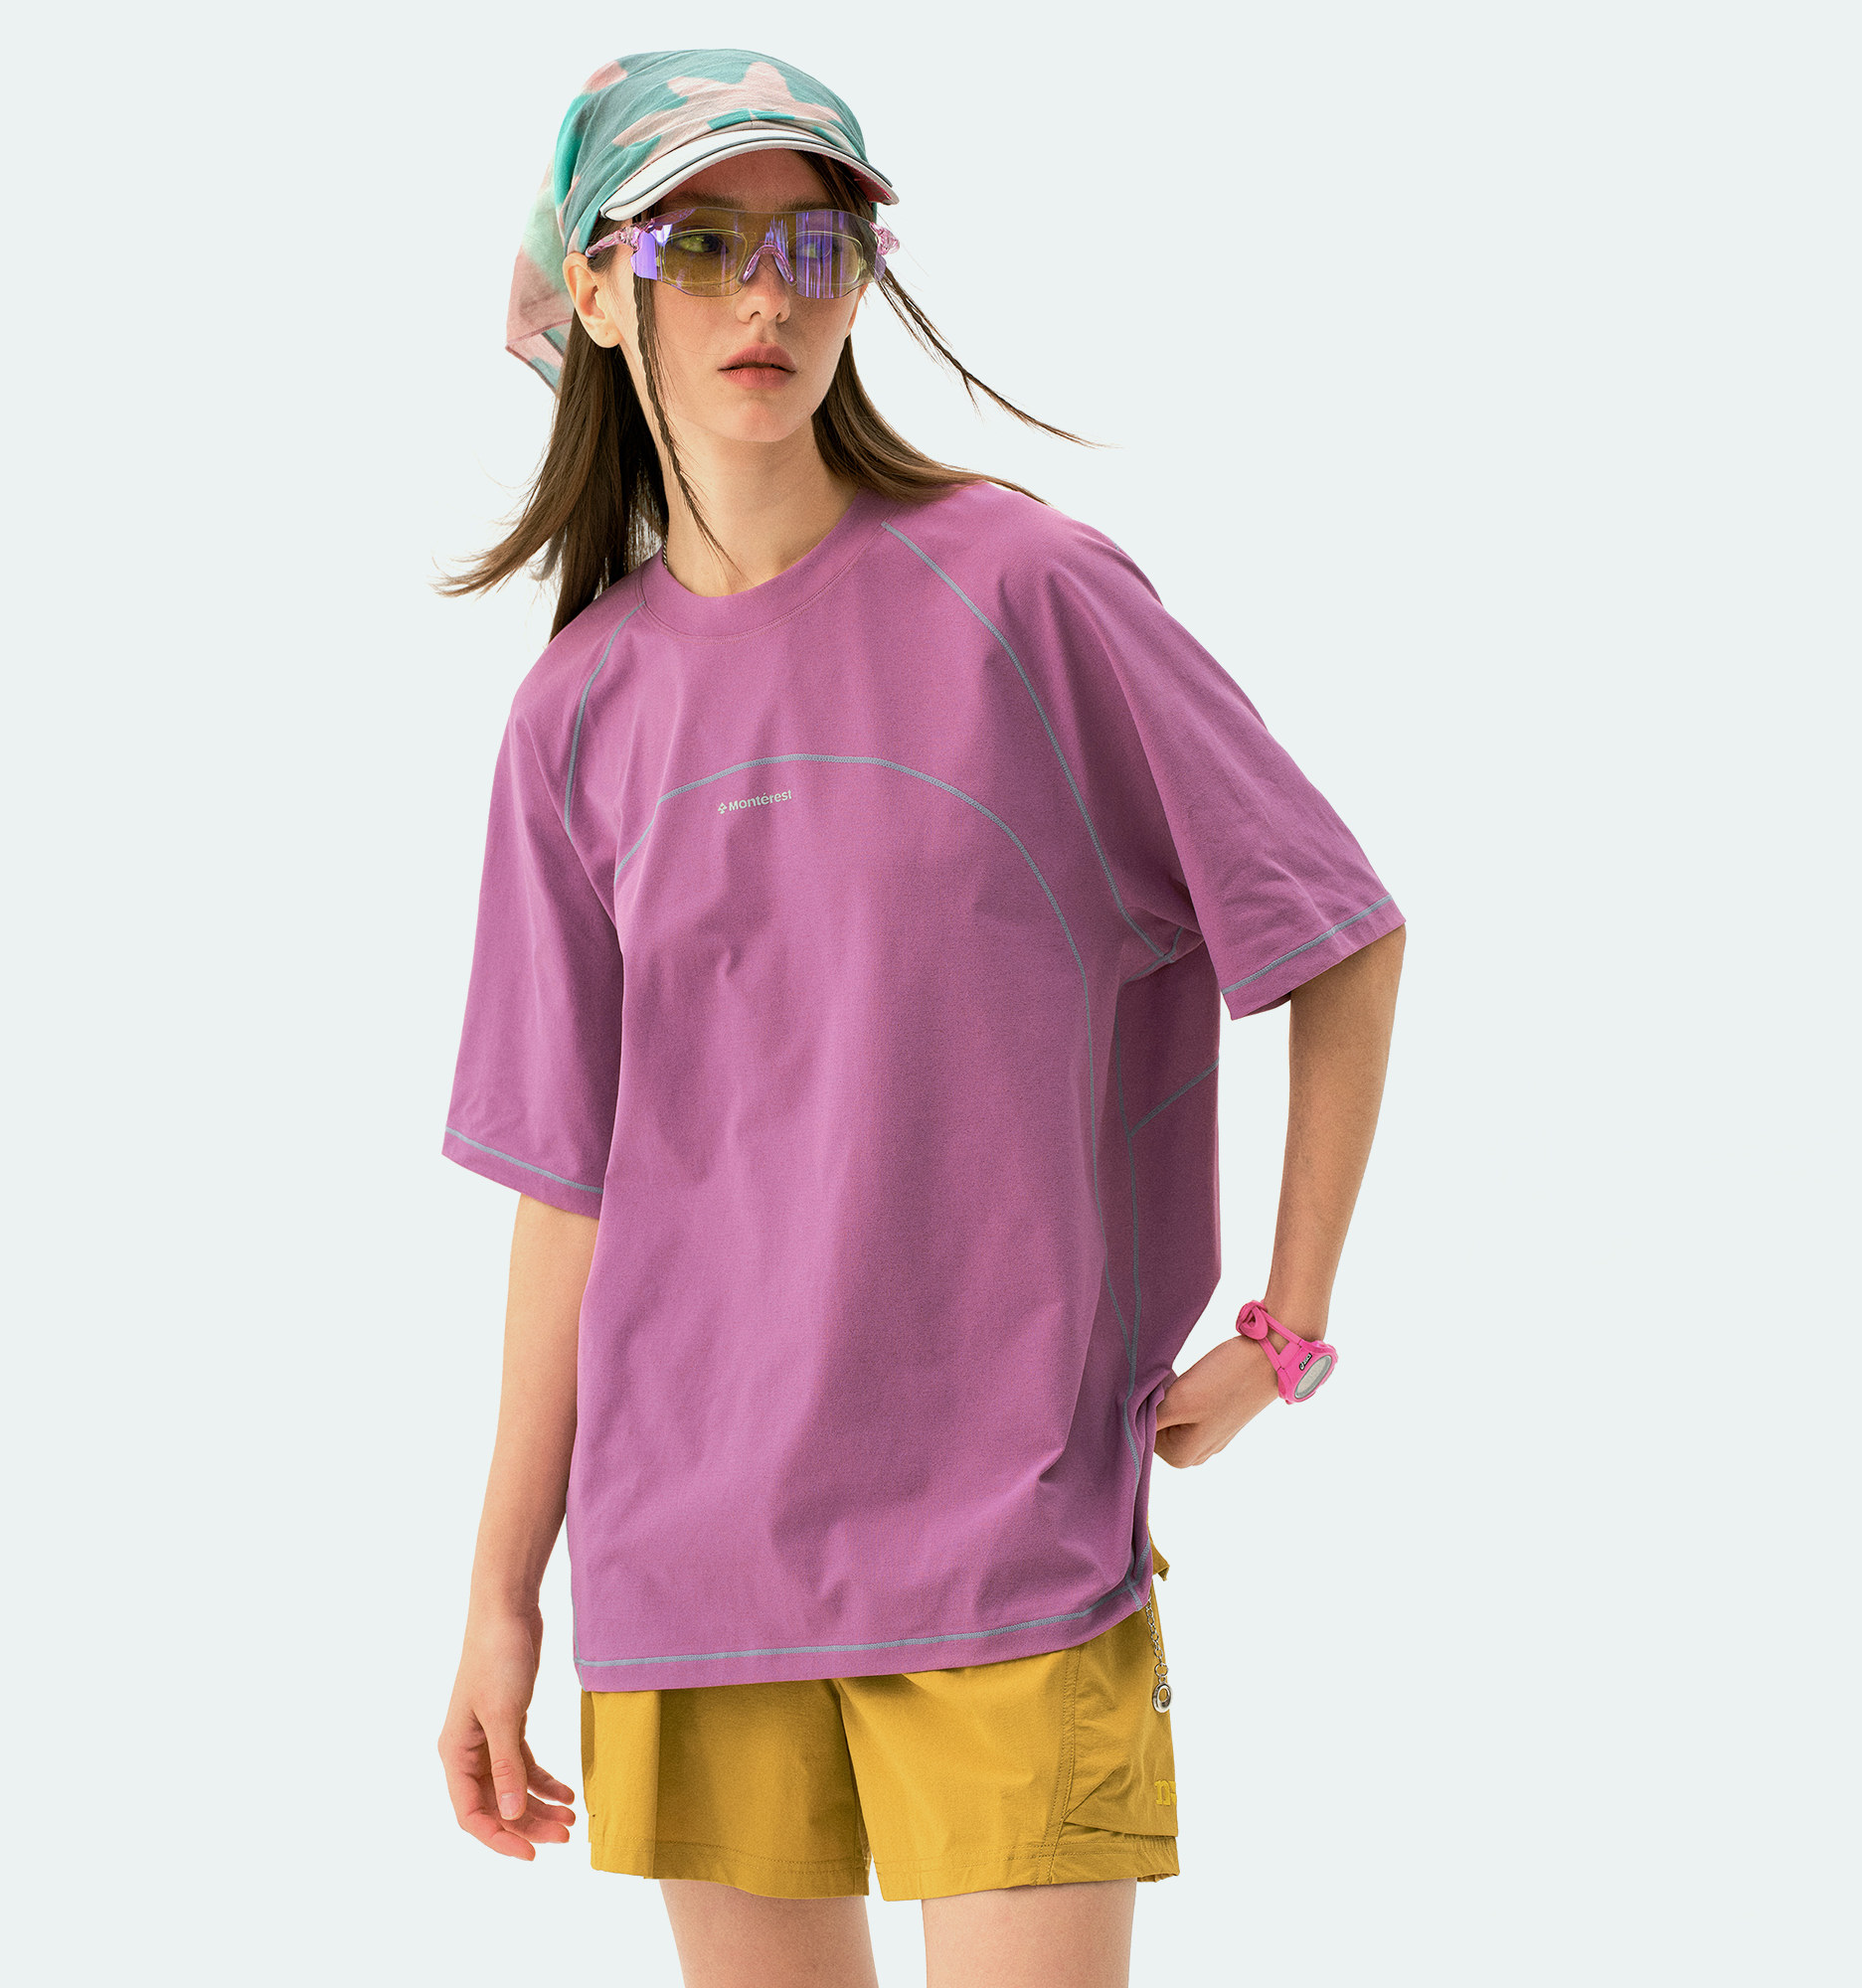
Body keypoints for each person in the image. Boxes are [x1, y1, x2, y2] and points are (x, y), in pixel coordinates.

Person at [432, 48, 1406, 1988]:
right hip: (689, 1553)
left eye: (811, 244)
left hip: (1009, 1537)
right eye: (701, 245)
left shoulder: (1028, 594)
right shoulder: (576, 713)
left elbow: (1334, 934)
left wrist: (1283, 1332)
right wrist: (497, 1597)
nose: (766, 296)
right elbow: (571, 1188)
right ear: (601, 289)